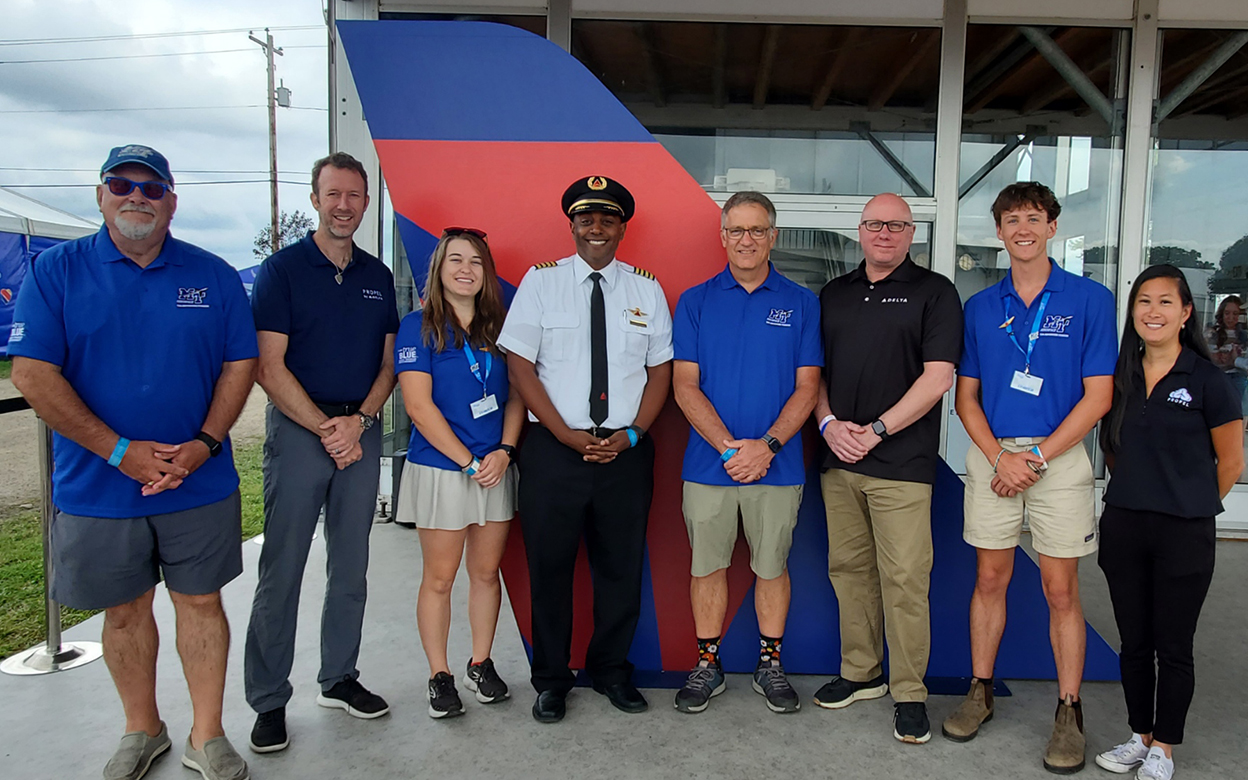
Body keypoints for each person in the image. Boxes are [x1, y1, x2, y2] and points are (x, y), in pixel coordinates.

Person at [8, 145, 257, 780]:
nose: (136, 196)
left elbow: (240, 364)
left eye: (152, 187)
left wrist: (203, 444)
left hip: (197, 480)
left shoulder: (214, 275)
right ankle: (141, 728)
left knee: (201, 604)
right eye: (121, 184)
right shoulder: (55, 272)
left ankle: (207, 735)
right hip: (97, 485)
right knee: (123, 611)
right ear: (100, 195)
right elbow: (34, 374)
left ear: (172, 200)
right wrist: (119, 452)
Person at [944, 182, 1117, 774]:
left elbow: (1099, 398)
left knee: (1060, 590)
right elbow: (965, 398)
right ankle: (981, 690)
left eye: (1034, 218)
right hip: (995, 459)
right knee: (990, 579)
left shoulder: (1091, 299)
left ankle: (1069, 711)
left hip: (1059, 461)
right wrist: (1000, 458)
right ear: (998, 231)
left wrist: (1036, 459)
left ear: (1052, 227)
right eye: (1011, 218)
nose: (1022, 228)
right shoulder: (980, 308)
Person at [497, 175, 673, 723]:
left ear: (622, 227)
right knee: (548, 569)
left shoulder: (646, 288)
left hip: (627, 451)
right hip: (554, 450)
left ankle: (611, 672)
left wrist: (635, 433)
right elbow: (520, 365)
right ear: (571, 225)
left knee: (619, 569)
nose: (596, 227)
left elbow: (661, 370)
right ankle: (551, 680)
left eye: (607, 219)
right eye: (586, 219)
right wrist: (562, 433)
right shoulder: (540, 283)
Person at [244, 152, 399, 753]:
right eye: (333, 194)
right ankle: (268, 699)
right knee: (281, 569)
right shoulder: (282, 271)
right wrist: (326, 428)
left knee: (351, 567)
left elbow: (388, 365)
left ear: (366, 202)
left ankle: (338, 677)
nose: (343, 206)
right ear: (315, 199)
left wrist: (357, 423)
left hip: (357, 431)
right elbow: (268, 365)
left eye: (355, 196)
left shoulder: (377, 276)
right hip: (300, 431)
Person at [812, 193, 963, 743]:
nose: (884, 233)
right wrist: (829, 423)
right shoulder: (834, 294)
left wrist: (875, 430)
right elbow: (814, 373)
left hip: (901, 463)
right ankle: (861, 672)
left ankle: (910, 693)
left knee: (904, 579)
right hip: (838, 458)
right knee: (848, 571)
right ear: (860, 230)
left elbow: (937, 377)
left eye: (897, 225)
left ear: (911, 234)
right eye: (875, 224)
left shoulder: (935, 293)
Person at [670, 191, 822, 715]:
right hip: (708, 465)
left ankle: (769, 665)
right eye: (736, 231)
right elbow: (684, 385)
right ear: (722, 236)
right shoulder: (695, 300)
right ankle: (708, 665)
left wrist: (768, 447)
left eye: (757, 230)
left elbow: (808, 388)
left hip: (777, 468)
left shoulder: (803, 302)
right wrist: (730, 447)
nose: (747, 240)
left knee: (771, 567)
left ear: (773, 236)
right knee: (707, 567)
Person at [1093, 264, 1243, 780]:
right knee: (1134, 641)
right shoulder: (1120, 375)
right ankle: (1140, 736)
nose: (1152, 311)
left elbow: (1231, 462)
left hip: (1185, 532)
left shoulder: (1207, 380)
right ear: (1133, 313)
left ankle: (1166, 747)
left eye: (1164, 302)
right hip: (1125, 528)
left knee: (1173, 645)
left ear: (1184, 313)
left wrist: (1191, 501)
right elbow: (1112, 449)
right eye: (1143, 301)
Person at [393, 227, 525, 719]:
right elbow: (418, 406)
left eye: (475, 261)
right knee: (441, 579)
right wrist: (467, 462)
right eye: (455, 260)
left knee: (487, 574)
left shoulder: (501, 330)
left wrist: (505, 452)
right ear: (439, 269)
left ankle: (481, 663)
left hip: (494, 469)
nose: (466, 268)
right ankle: (439, 675)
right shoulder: (418, 327)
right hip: (443, 470)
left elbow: (516, 397)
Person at [1204, 295, 1247, 413]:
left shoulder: (1244, 335)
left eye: (1236, 314)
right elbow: (1205, 354)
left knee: (1236, 409)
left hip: (1237, 377)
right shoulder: (1213, 333)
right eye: (1227, 313)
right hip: (1217, 375)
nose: (1231, 318)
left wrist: (1235, 360)